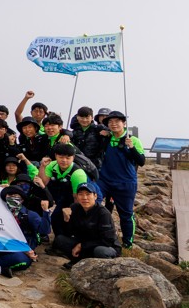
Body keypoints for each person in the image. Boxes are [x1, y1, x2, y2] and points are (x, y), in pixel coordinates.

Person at [0, 186, 49, 277]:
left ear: (22, 199)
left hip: (20, 250)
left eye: (15, 195)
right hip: (0, 246)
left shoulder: (30, 215)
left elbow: (44, 230)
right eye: (9, 195)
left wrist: (46, 211)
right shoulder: (0, 213)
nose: (11, 197)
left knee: (21, 260)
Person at [96, 111, 145, 248]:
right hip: (105, 180)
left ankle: (127, 242)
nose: (113, 124)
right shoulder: (106, 138)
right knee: (92, 203)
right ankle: (96, 235)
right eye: (110, 122)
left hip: (126, 183)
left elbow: (141, 161)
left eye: (117, 121)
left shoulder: (133, 139)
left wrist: (131, 147)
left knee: (126, 214)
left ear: (124, 123)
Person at [51, 182, 120, 267]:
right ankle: (77, 261)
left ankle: (104, 268)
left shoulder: (103, 213)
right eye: (81, 194)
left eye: (88, 194)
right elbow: (68, 233)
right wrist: (66, 220)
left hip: (105, 246)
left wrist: (81, 246)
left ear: (95, 196)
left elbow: (107, 240)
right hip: (85, 242)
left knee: (101, 251)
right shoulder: (74, 208)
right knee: (60, 240)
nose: (84, 198)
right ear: (77, 196)